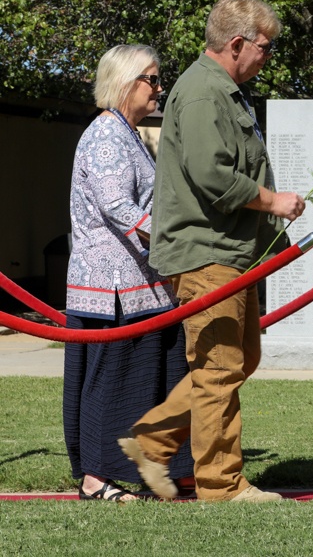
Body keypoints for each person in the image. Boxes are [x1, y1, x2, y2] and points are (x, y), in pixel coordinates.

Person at [118, 0, 305, 503]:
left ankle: (150, 443)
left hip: (226, 251)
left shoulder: (221, 89)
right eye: (265, 47)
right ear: (238, 43)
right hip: (207, 253)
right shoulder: (204, 92)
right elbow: (212, 176)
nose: (268, 57)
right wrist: (273, 201)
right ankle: (221, 486)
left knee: (236, 360)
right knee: (220, 368)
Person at [63, 44, 195, 502]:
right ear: (126, 84)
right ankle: (97, 479)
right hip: (111, 288)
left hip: (142, 285)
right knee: (112, 381)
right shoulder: (105, 135)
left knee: (156, 375)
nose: (159, 89)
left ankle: (160, 468)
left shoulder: (128, 134)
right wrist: (176, 242)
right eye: (152, 80)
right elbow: (119, 207)